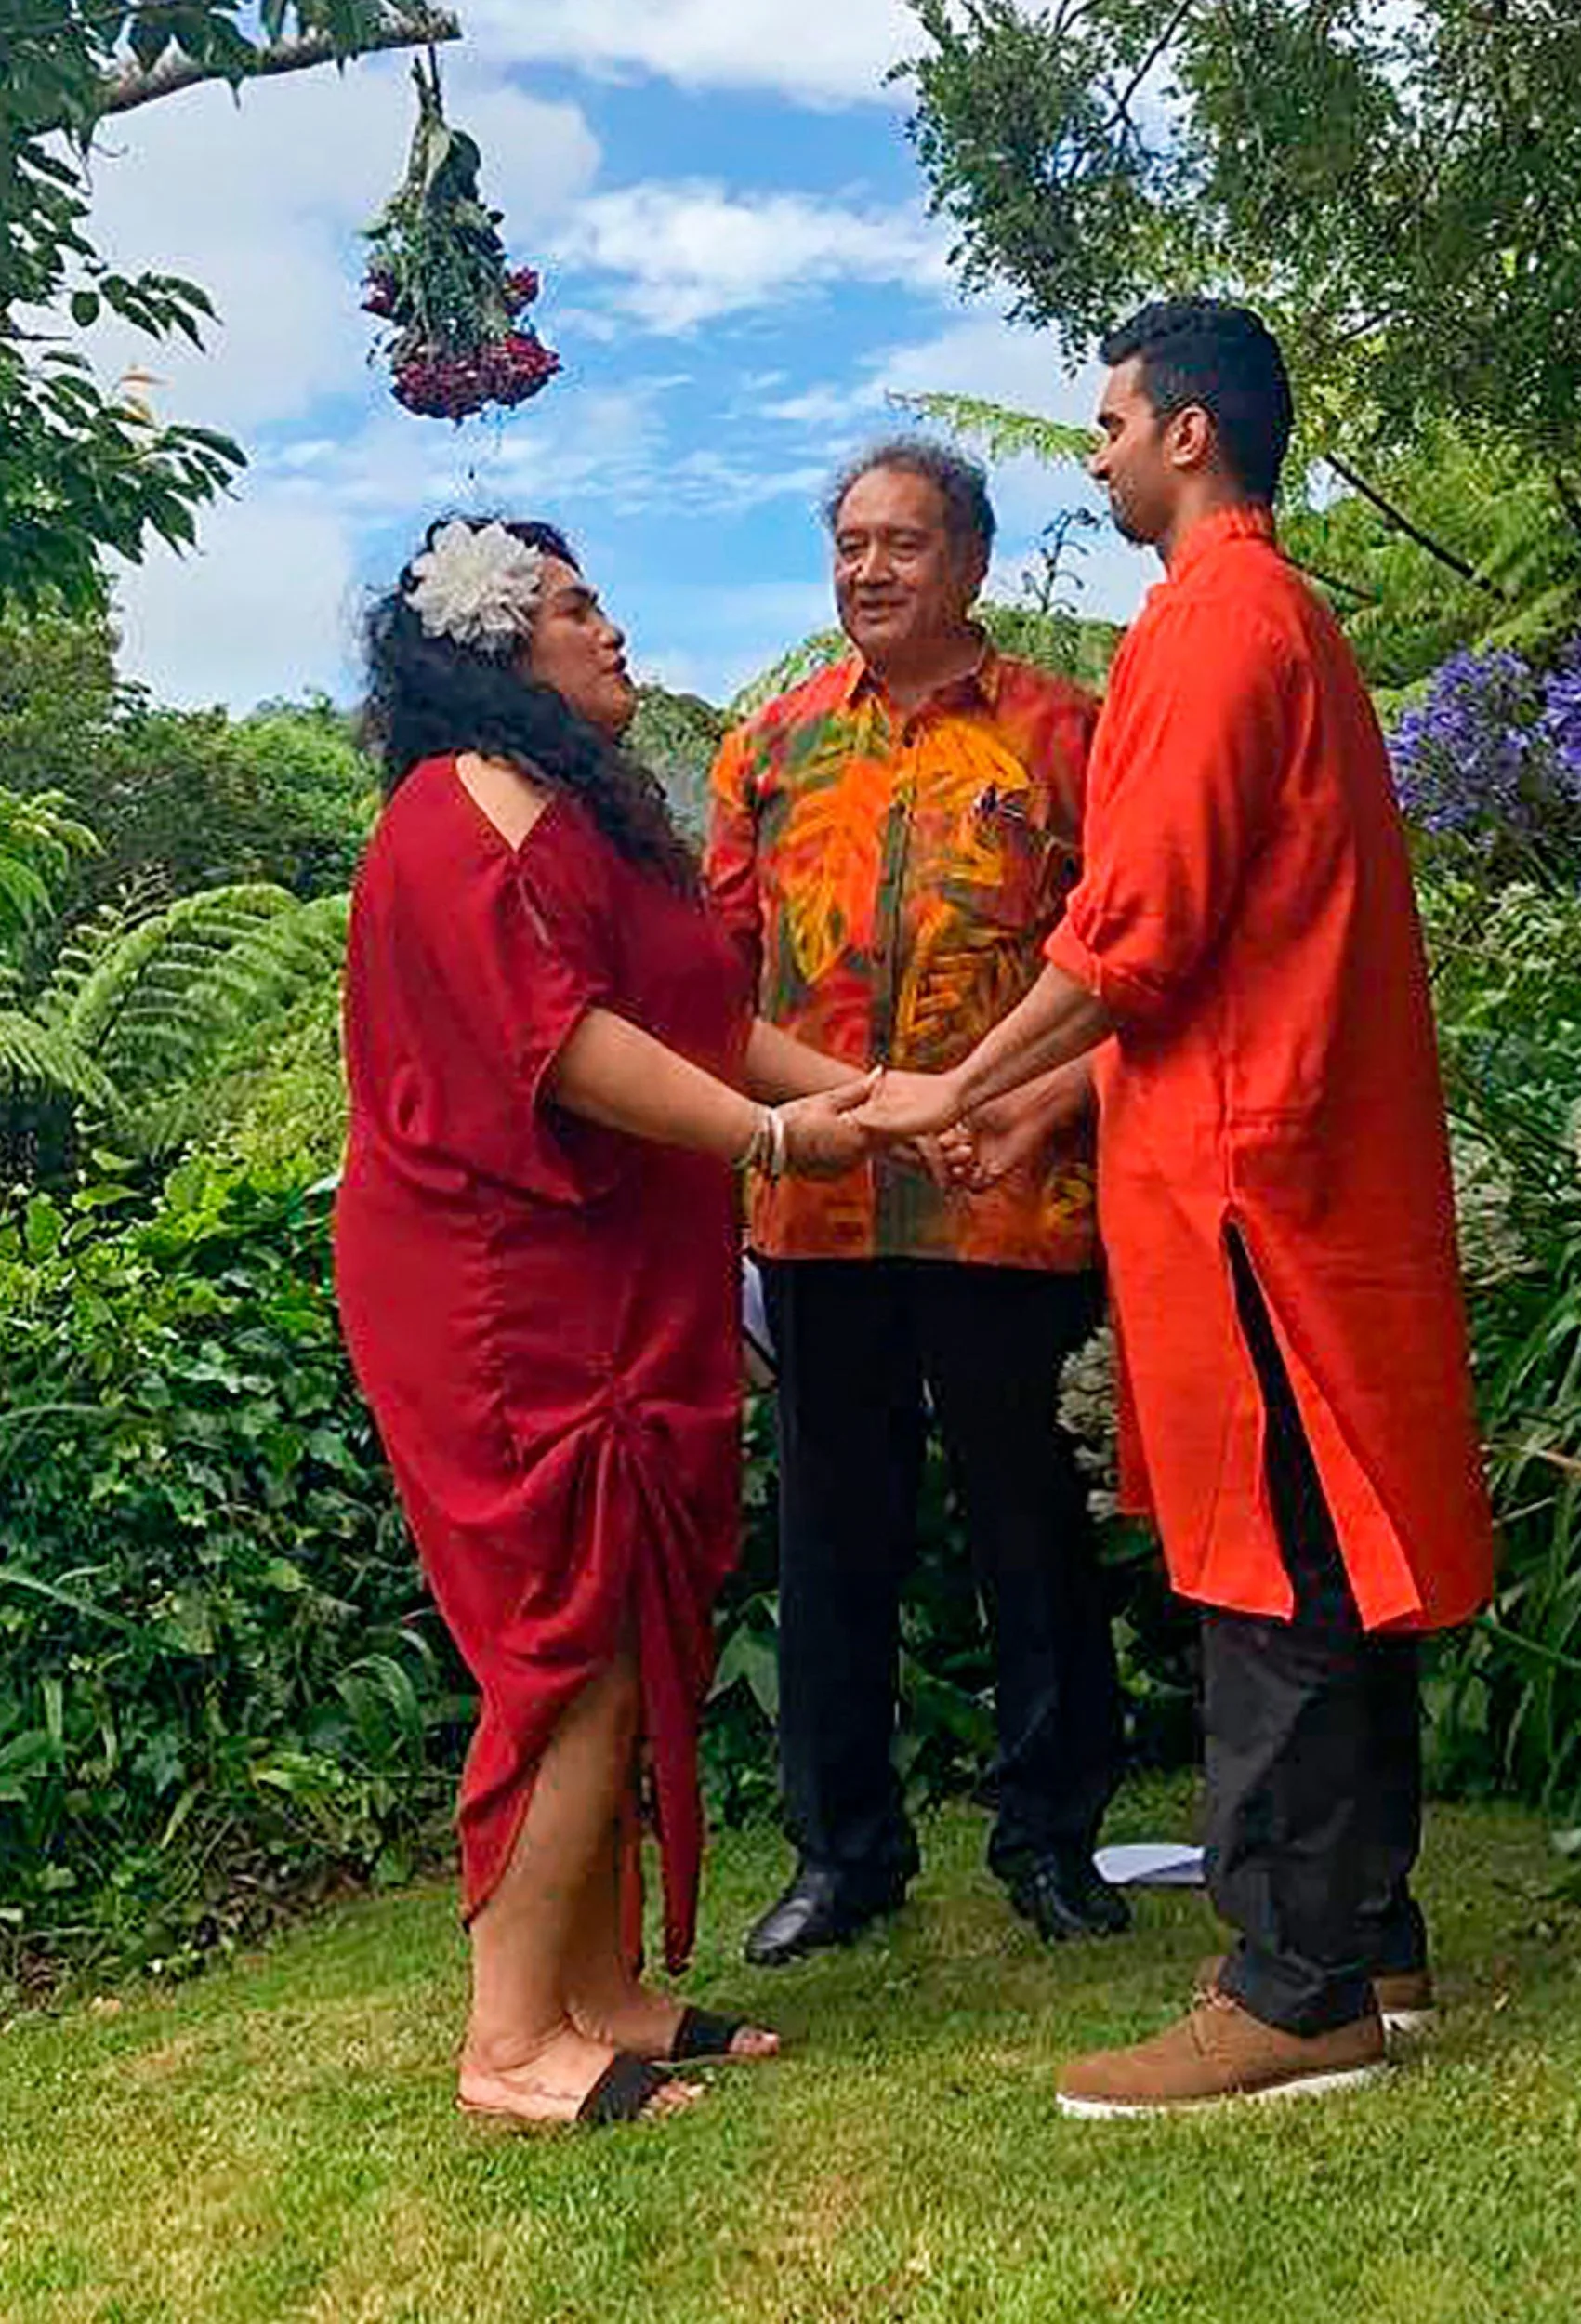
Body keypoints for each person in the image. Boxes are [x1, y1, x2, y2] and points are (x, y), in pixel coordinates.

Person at [850, 303, 1496, 2114]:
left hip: (1250, 1185)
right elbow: (1201, 959)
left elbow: (1133, 933)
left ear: (1191, 432)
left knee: (1275, 1562)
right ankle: (1364, 1939)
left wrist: (954, 1086)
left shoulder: (1215, 622)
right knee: (1326, 1547)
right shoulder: (1272, 617)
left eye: (1113, 421)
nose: (1099, 452)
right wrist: (1029, 1104)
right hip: (1276, 1154)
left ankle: (1294, 1985)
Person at [336, 515, 875, 2130]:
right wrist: (773, 1141)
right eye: (577, 609)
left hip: (610, 1273)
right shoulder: (457, 811)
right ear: (498, 648)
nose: (612, 630)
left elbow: (700, 1024)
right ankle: (511, 2043)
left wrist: (889, 1104)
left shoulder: (580, 817)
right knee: (562, 1643)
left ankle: (604, 1991)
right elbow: (560, 1043)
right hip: (499, 1284)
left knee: (626, 1625)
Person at [705, 442, 1128, 1964]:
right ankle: (844, 1856)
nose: (870, 570)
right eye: (851, 545)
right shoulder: (769, 749)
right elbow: (712, 984)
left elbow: (1132, 961)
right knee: (833, 1537)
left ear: (973, 562)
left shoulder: (1068, 735)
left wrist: (1019, 1109)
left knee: (1033, 1526)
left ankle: (1053, 1838)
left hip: (1013, 1201)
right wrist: (811, 1127)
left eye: (904, 543)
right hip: (821, 1214)